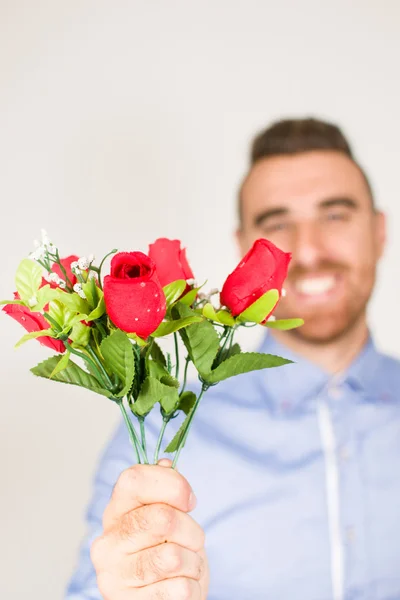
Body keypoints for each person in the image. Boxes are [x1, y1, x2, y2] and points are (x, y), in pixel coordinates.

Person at [65, 118, 400, 600]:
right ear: (245, 248)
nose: (308, 251)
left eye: (335, 215)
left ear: (380, 231)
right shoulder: (160, 434)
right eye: (278, 223)